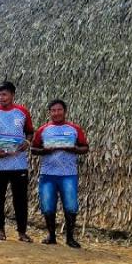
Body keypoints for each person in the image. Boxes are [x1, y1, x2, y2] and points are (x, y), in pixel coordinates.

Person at [31, 99, 90, 248]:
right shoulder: (43, 130)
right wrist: (44, 151)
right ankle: (51, 236)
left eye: (59, 110)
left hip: (68, 174)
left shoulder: (74, 129)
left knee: (71, 206)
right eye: (53, 110)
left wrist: (74, 149)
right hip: (47, 174)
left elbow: (85, 147)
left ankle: (70, 238)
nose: (56, 113)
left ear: (65, 111)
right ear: (49, 112)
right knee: (47, 205)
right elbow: (33, 149)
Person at [0, 81, 34, 242]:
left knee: (20, 199)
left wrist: (27, 142)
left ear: (12, 95)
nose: (1, 98)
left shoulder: (23, 112)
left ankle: (22, 232)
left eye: (4, 94)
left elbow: (30, 132)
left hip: (19, 164)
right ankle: (0, 230)